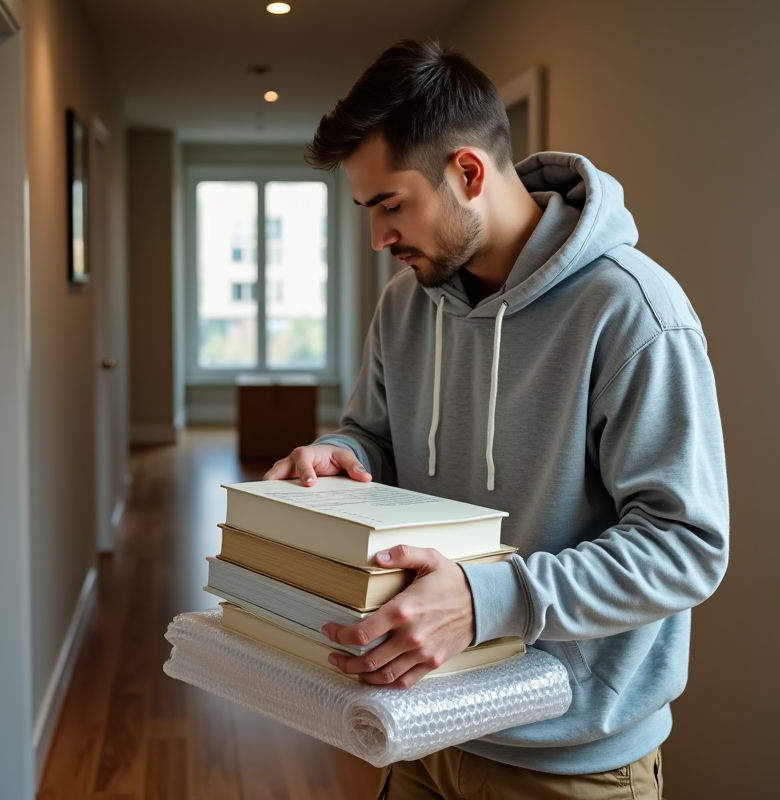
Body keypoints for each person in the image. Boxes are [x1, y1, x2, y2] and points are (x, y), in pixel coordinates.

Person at [262, 40, 728, 800]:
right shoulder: (404, 305)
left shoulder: (634, 314)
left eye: (391, 205)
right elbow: (375, 436)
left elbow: (685, 546)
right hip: (418, 723)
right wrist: (338, 451)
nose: (378, 240)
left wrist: (486, 602)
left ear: (469, 173)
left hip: (571, 758)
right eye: (368, 210)